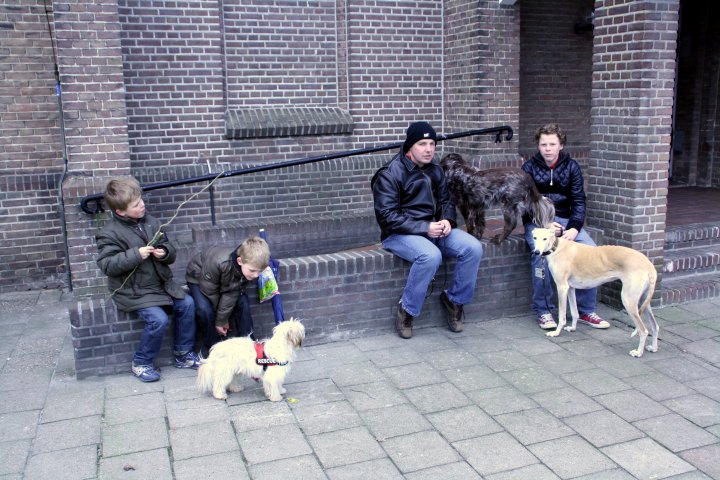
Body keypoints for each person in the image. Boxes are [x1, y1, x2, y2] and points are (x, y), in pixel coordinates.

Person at [371, 121, 484, 339]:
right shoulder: (389, 174)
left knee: (473, 248)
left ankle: (454, 301)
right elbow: (386, 217)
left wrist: (448, 220)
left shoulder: (435, 170)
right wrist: (425, 228)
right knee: (430, 256)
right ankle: (407, 309)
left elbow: (446, 201)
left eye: (432, 144)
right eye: (422, 144)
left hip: (434, 228)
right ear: (409, 146)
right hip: (399, 234)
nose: (429, 149)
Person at [96, 177, 200, 383]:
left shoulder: (151, 222)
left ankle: (183, 354)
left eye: (141, 200)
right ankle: (141, 362)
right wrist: (136, 254)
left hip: (161, 285)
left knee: (187, 304)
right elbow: (107, 265)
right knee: (158, 320)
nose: (142, 205)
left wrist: (165, 252)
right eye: (136, 205)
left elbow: (169, 248)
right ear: (120, 212)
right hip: (134, 291)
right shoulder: (108, 233)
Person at [522, 123, 609, 330]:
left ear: (561, 145)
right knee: (541, 257)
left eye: (552, 144)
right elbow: (524, 203)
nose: (547, 149)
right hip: (539, 223)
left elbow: (579, 200)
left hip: (567, 222)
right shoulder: (528, 168)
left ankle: (586, 310)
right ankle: (544, 311)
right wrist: (543, 222)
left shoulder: (572, 167)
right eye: (543, 144)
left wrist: (574, 228)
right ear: (538, 146)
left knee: (592, 252)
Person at [185, 237, 270, 358]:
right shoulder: (221, 262)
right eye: (253, 271)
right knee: (204, 309)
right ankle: (214, 348)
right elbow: (211, 294)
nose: (256, 275)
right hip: (200, 279)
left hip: (224, 282)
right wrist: (220, 322)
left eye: (260, 271)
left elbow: (232, 293)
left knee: (243, 302)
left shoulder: (247, 269)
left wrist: (222, 320)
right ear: (240, 261)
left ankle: (247, 344)